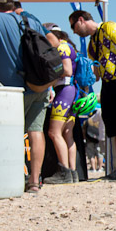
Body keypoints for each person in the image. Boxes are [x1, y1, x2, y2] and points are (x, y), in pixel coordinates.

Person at [0, 0, 61, 193]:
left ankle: (12, 177)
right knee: (35, 131)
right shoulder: (31, 21)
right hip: (39, 85)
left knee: (12, 132)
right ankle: (34, 180)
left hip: (13, 89)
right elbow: (54, 42)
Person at [68, 9, 116, 182]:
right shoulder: (92, 43)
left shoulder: (110, 27)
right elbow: (95, 73)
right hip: (108, 85)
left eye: (73, 26)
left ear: (81, 20)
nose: (73, 31)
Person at [42, 27, 80, 184]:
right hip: (72, 92)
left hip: (64, 91)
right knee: (67, 134)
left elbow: (67, 70)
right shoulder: (70, 46)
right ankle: (72, 172)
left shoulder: (62, 47)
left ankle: (64, 171)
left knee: (54, 132)